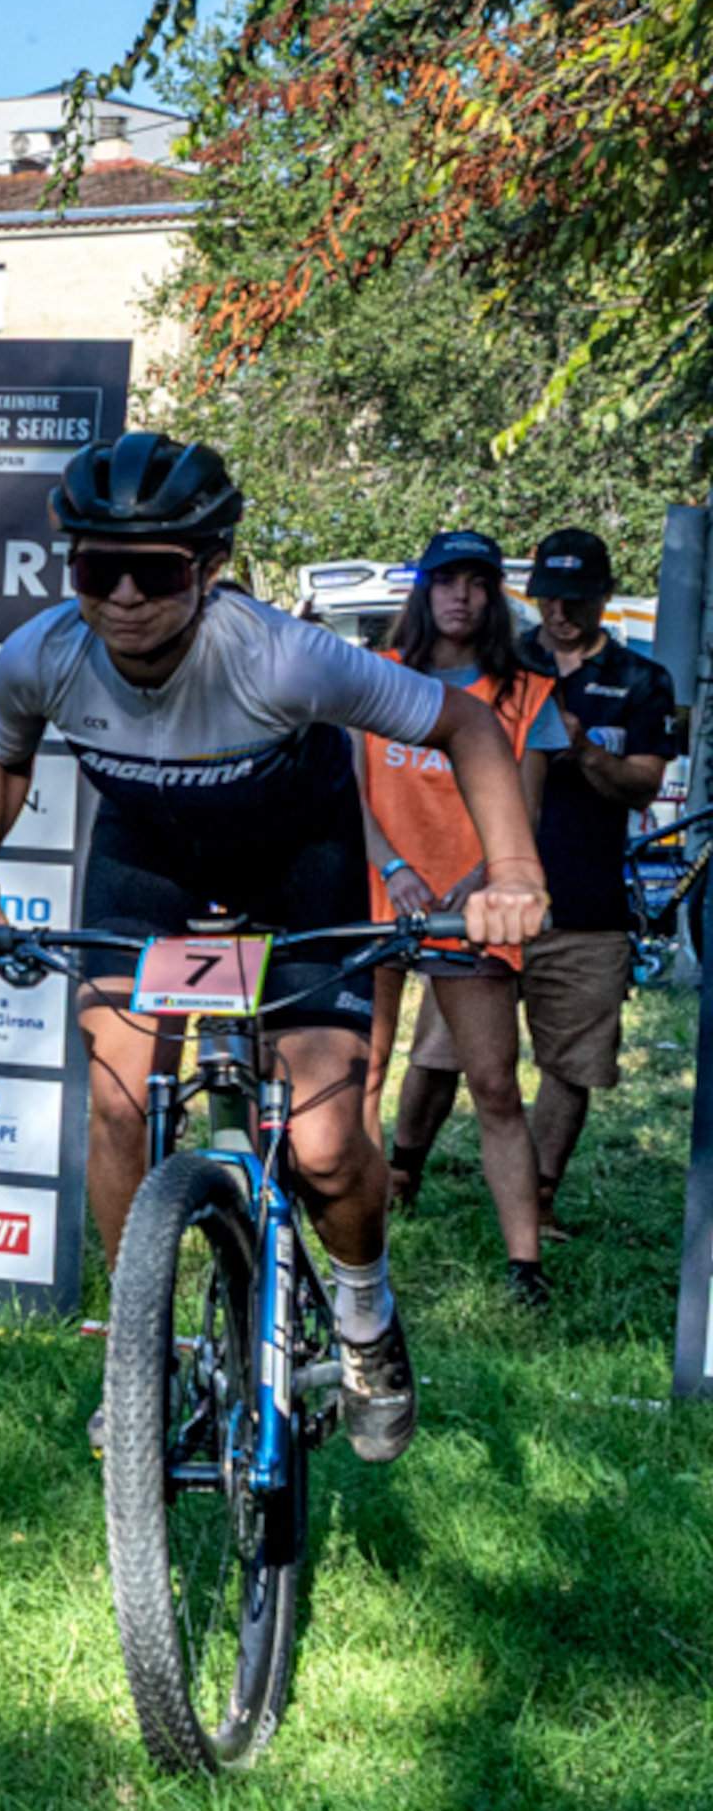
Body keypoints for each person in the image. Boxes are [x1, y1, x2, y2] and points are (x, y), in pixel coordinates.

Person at [0, 433, 548, 1465]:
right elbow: (3, 757)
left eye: (157, 571)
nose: (122, 597)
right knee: (120, 1097)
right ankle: (144, 1357)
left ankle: (362, 1314)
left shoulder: (279, 654)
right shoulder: (43, 653)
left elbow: (471, 731)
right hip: (149, 864)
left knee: (321, 1146)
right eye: (95, 568)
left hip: (295, 863)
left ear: (210, 568)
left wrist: (515, 871)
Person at [438, 526, 679, 1235]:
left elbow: (644, 784)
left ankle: (540, 1197)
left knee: (571, 1058)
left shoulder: (640, 679)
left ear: (603, 595)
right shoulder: (505, 662)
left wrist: (577, 749)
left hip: (585, 894)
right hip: (485, 895)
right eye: (547, 597)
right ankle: (401, 1176)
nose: (559, 614)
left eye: (574, 599)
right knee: (440, 1050)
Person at [353, 532, 562, 1304]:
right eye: (446, 580)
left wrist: (468, 891)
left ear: (495, 595)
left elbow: (525, 816)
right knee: (363, 1077)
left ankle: (524, 1268)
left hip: (475, 910)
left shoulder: (524, 693)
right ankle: (363, 1253)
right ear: (423, 590)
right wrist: (397, 869)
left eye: (478, 582)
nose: (462, 597)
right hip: (378, 900)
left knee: (496, 1087)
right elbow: (352, 794)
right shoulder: (376, 678)